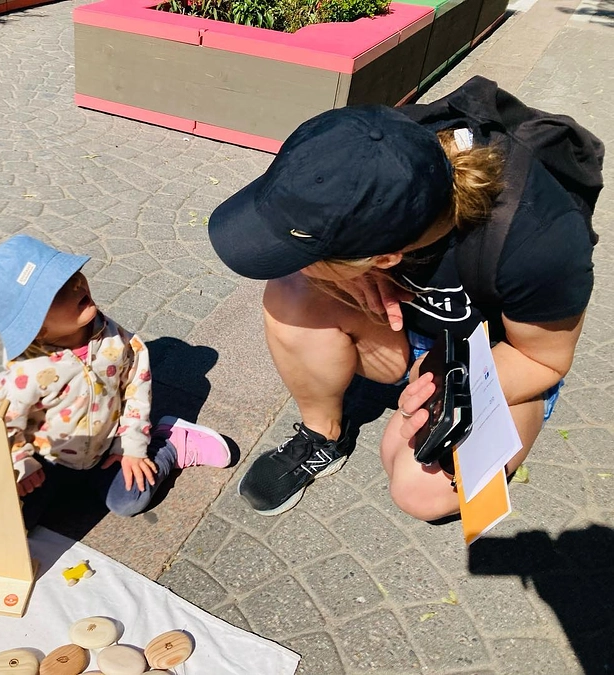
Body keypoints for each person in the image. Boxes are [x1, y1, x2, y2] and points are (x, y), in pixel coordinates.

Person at [207, 81, 601, 521]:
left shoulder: (540, 241)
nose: (293, 261)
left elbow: (544, 360)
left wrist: (442, 387)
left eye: (310, 254)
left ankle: (455, 412)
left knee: (419, 491)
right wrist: (347, 279)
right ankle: (323, 434)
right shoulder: (367, 146)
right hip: (406, 328)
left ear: (387, 256)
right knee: (292, 292)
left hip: (498, 357)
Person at [0, 234, 231, 529]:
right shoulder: (24, 372)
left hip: (108, 449)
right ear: (35, 328)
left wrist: (132, 447)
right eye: (58, 291)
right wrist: (20, 462)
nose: (77, 285)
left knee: (130, 499)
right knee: (12, 522)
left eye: (72, 275)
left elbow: (137, 392)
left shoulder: (117, 340)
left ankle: (170, 442)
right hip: (45, 460)